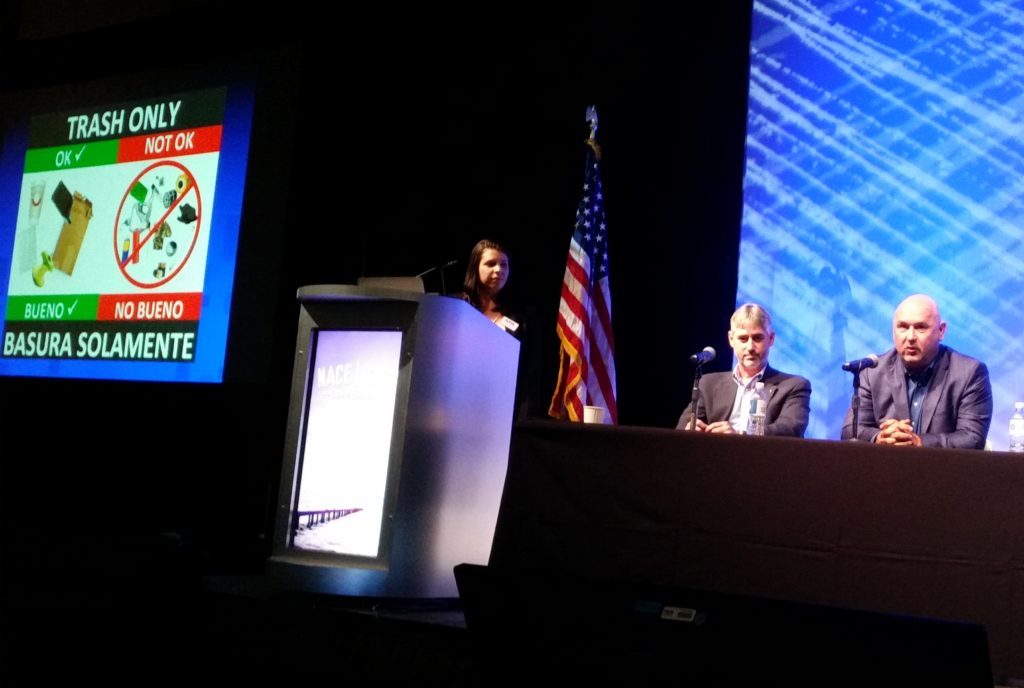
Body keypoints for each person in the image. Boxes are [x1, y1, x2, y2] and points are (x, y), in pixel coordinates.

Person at [841, 294, 992, 448]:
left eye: (921, 327)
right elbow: (850, 431)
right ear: (893, 331)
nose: (910, 337)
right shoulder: (871, 371)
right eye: (903, 327)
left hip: (942, 469)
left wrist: (918, 442)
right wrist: (879, 437)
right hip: (885, 469)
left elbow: (972, 438)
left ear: (941, 331)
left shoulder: (969, 373)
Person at [676, 303, 811, 437]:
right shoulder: (708, 384)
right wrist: (690, 428)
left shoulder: (793, 386)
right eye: (743, 338)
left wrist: (740, 435)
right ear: (731, 339)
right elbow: (682, 426)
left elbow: (791, 429)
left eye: (757, 338)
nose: (750, 347)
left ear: (771, 339)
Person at [457, 239, 542, 420]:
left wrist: (523, 420)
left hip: (505, 412)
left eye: (504, 265)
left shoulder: (524, 316)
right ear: (475, 267)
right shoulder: (456, 310)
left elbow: (531, 374)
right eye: (490, 264)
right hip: (460, 406)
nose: (499, 270)